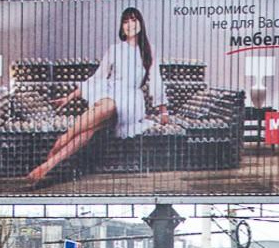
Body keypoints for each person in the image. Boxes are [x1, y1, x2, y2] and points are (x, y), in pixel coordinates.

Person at [27, 7, 172, 188]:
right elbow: (98, 77)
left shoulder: (149, 51)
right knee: (91, 128)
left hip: (132, 99)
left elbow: (156, 79)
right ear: (121, 26)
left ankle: (63, 139)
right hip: (110, 91)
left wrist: (163, 110)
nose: (130, 25)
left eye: (133, 20)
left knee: (104, 113)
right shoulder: (115, 49)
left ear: (141, 23)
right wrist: (68, 98)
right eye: (125, 21)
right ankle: (47, 167)